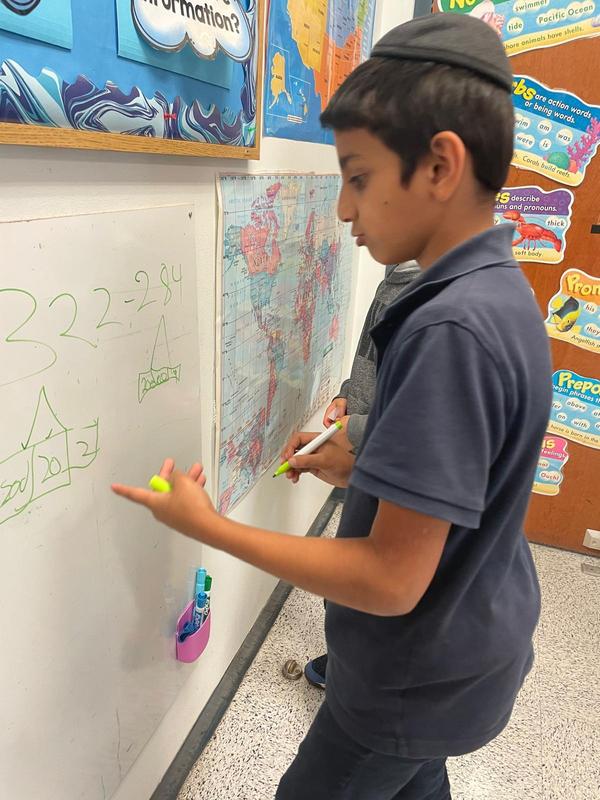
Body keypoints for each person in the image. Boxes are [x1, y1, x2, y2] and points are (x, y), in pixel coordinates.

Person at [112, 14, 553, 800]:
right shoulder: (495, 290)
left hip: (409, 680)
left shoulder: (451, 327)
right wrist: (371, 446)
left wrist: (207, 526)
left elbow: (390, 580)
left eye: (357, 177)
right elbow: (472, 465)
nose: (346, 213)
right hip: (466, 655)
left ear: (440, 165)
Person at [301, 261, 421, 690]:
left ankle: (358, 674)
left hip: (392, 476)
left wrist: (208, 527)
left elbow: (426, 425)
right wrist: (348, 398)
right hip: (371, 463)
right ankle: (347, 661)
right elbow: (371, 357)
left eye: (362, 192)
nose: (348, 213)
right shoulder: (398, 275)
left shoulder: (442, 307)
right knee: (350, 576)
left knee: (362, 582)